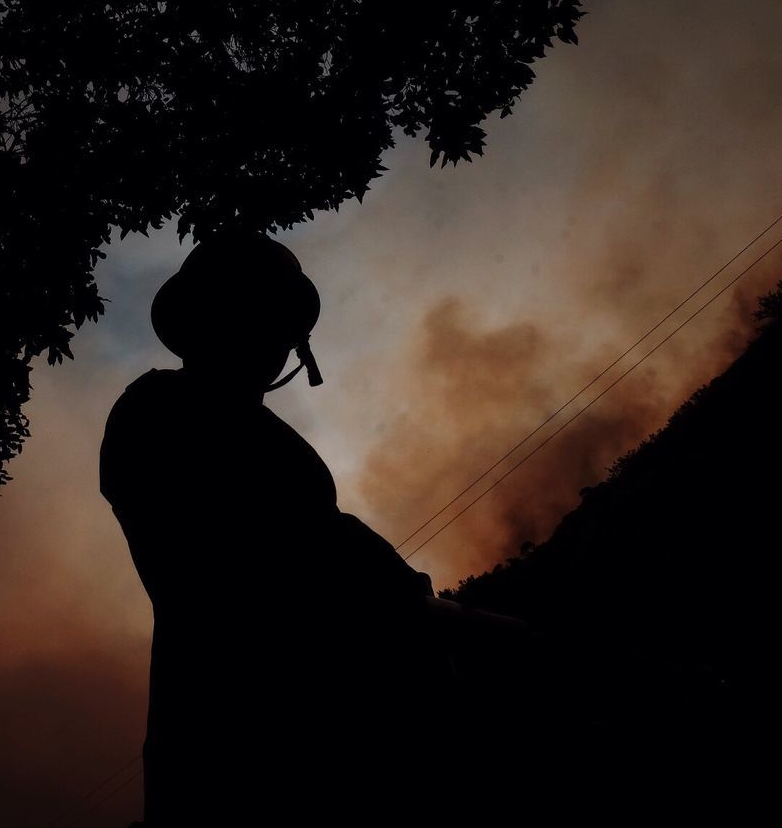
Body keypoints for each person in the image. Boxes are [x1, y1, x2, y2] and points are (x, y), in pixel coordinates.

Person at [99, 230, 534, 825]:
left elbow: (327, 542)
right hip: (250, 739)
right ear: (210, 320)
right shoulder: (161, 412)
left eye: (279, 322)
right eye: (254, 314)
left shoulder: (250, 431)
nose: (273, 339)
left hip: (325, 729)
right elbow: (292, 553)